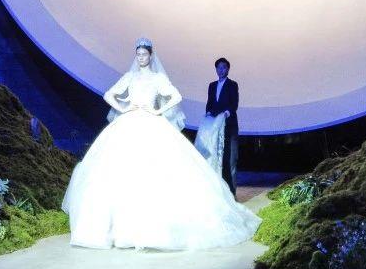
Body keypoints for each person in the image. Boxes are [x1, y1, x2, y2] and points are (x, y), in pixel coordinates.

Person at [61, 37, 260, 250]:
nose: (141, 58)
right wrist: (124, 108)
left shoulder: (157, 78)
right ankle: (114, 227)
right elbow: (109, 95)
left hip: (152, 123)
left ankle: (148, 226)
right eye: (138, 55)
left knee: (156, 169)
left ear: (150, 56)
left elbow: (176, 96)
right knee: (120, 170)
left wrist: (158, 110)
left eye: (144, 54)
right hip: (128, 124)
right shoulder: (129, 76)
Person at [203, 57, 240, 195]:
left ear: (228, 69)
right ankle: (219, 191)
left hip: (229, 126)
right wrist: (208, 113)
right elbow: (210, 103)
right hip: (215, 126)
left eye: (224, 67)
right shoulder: (212, 85)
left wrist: (226, 113)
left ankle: (232, 192)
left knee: (230, 159)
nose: (221, 70)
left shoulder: (232, 84)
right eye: (218, 67)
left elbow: (234, 104)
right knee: (216, 158)